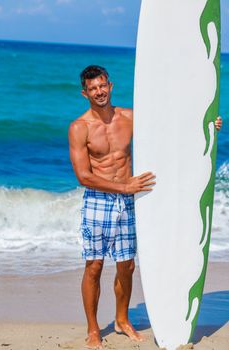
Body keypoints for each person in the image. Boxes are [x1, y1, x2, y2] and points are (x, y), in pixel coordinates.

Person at [68, 65, 222, 349]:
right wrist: (124, 186)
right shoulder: (80, 127)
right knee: (95, 265)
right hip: (99, 201)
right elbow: (84, 176)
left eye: (102, 86)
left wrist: (206, 125)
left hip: (129, 199)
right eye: (93, 89)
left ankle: (122, 320)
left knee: (126, 265)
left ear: (110, 86)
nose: (99, 92)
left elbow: (168, 129)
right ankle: (92, 329)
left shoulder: (130, 118)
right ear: (84, 93)